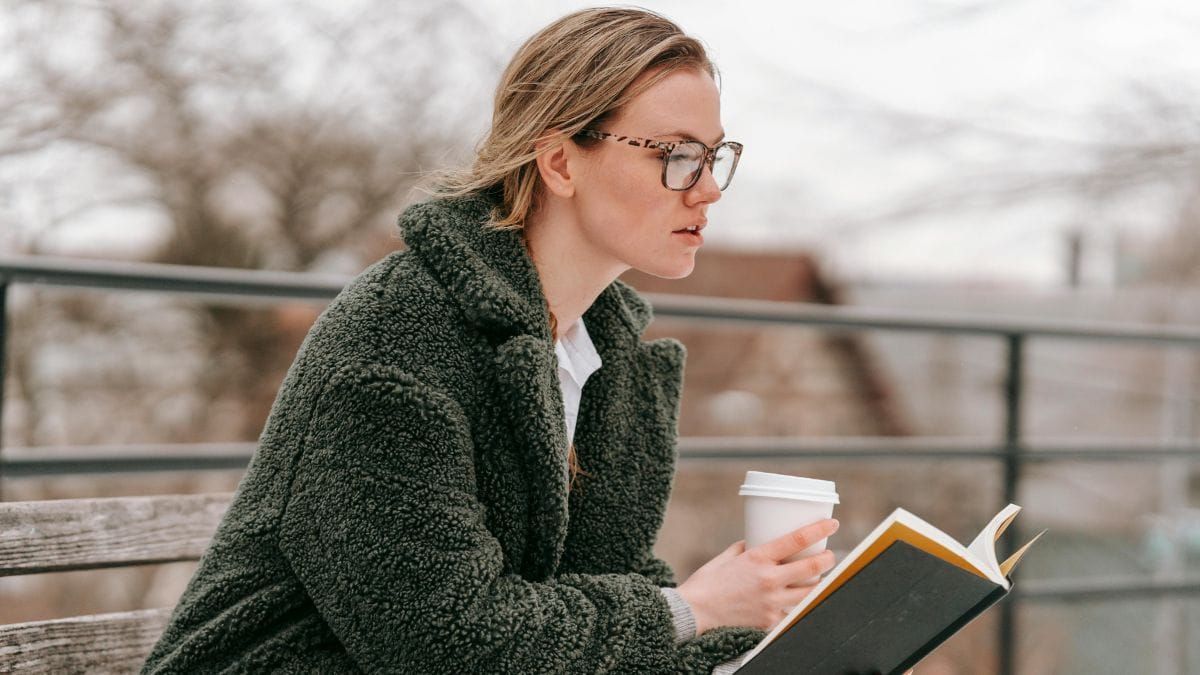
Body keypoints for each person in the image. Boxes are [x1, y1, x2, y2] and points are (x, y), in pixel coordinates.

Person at [142, 7, 839, 674]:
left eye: (715, 156)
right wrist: (691, 610)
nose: (708, 188)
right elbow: (446, 641)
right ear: (560, 162)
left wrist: (738, 640)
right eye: (678, 155)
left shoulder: (605, 354)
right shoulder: (395, 339)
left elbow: (604, 601)